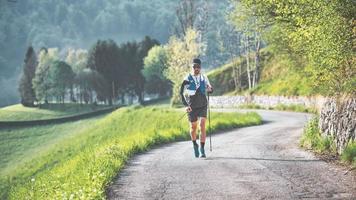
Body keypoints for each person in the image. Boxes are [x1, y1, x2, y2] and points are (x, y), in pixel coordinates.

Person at [180, 58, 213, 158]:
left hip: (203, 104)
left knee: (202, 125)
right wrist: (186, 106)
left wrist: (210, 89)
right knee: (193, 128)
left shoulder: (204, 77)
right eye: (194, 67)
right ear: (192, 67)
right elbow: (181, 93)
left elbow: (210, 89)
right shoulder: (187, 78)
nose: (196, 69)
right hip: (192, 107)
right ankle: (195, 145)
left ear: (200, 68)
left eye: (198, 67)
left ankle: (202, 149)